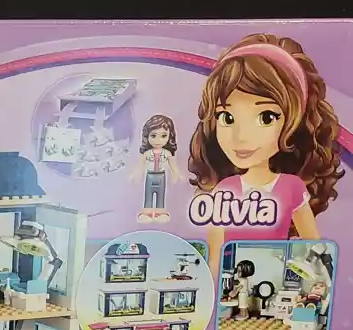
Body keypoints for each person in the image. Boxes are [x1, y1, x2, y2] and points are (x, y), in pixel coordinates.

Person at [187, 34, 343, 269]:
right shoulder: (225, 190)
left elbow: (314, 246)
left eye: (266, 117)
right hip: (233, 284)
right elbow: (215, 257)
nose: (241, 136)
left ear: (294, 123)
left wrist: (316, 279)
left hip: (275, 281)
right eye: (226, 117)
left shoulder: (292, 188)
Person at [132, 114, 180, 222]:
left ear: (169, 136)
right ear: (147, 136)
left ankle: (160, 212)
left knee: (161, 194)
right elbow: (140, 164)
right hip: (150, 176)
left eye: (163, 136)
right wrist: (135, 174)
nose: (158, 140)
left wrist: (176, 174)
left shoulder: (167, 153)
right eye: (153, 136)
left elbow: (173, 165)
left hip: (161, 176)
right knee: (148, 194)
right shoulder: (147, 153)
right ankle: (147, 213)